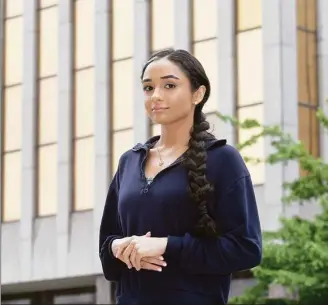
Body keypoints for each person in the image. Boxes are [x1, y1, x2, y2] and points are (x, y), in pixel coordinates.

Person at [99, 48, 262, 305]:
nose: (156, 96)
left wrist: (166, 246)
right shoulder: (128, 162)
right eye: (148, 88)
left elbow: (247, 249)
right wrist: (117, 248)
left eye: (169, 85)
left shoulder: (223, 160)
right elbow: (107, 249)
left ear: (198, 93)